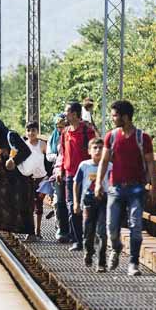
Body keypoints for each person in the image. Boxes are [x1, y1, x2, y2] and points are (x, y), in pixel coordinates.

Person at [96, 99, 156, 275]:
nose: (112, 118)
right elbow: (104, 161)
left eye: (115, 115)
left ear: (125, 117)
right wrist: (99, 184)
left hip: (136, 188)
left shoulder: (142, 138)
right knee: (111, 226)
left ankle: (133, 263)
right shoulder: (111, 136)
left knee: (136, 225)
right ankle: (116, 247)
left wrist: (154, 188)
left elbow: (151, 164)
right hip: (115, 188)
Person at [56, 102, 96, 251]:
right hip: (70, 175)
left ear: (74, 114)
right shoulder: (65, 132)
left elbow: (96, 151)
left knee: (88, 206)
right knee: (72, 207)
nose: (65, 114)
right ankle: (77, 241)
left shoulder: (87, 131)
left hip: (86, 175)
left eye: (67, 112)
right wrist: (60, 169)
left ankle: (89, 239)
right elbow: (63, 153)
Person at [74, 138, 111, 272]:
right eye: (95, 148)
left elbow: (113, 184)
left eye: (101, 148)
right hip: (88, 200)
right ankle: (88, 252)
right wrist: (76, 202)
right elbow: (76, 184)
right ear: (89, 150)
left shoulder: (109, 166)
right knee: (88, 232)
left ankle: (101, 262)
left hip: (104, 199)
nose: (98, 150)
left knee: (102, 232)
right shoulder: (84, 165)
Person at [20, 121, 48, 241]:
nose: (31, 133)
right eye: (29, 130)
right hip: (28, 178)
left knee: (39, 204)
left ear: (37, 131)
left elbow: (49, 160)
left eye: (34, 130)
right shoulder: (24, 145)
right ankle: (30, 231)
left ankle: (38, 231)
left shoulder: (42, 144)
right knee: (28, 205)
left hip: (41, 177)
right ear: (26, 132)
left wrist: (48, 177)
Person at [49, 112, 70, 242]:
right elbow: (49, 154)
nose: (60, 129)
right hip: (58, 171)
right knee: (58, 201)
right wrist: (58, 160)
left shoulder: (71, 135)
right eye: (58, 126)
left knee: (71, 202)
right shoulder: (55, 136)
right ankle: (61, 228)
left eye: (63, 125)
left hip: (70, 171)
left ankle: (73, 231)